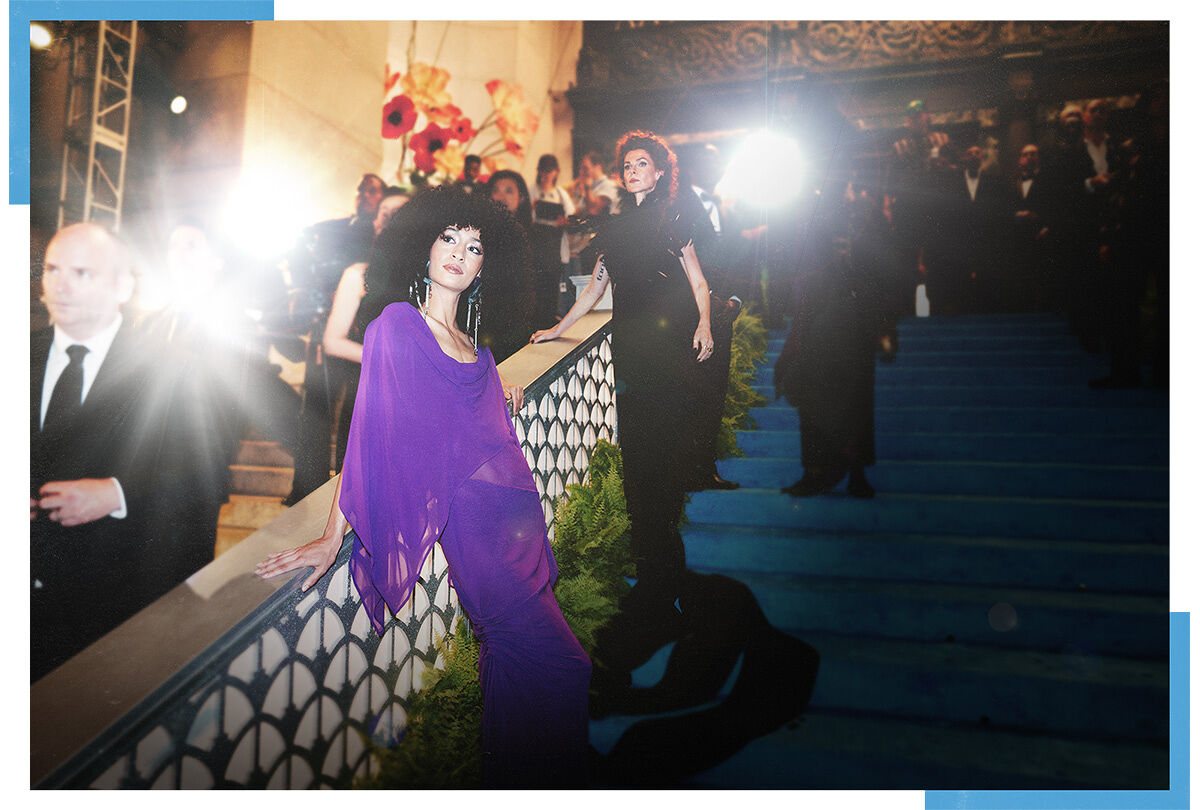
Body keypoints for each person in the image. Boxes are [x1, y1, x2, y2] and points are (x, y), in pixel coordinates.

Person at [256, 187, 591, 787]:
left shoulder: (478, 351)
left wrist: (498, 390)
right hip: (479, 538)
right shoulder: (396, 327)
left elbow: (475, 430)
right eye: (449, 239)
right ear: (423, 247)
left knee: (523, 670)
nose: (460, 253)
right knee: (564, 667)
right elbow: (370, 433)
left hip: (520, 522)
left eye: (475, 247)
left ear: (486, 267)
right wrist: (332, 537)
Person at [533, 130, 715, 619]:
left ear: (660, 171)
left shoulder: (673, 219)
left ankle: (665, 569)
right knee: (638, 455)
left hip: (669, 343)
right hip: (631, 345)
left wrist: (704, 324)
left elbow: (698, 279)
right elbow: (593, 291)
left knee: (663, 453)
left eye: (643, 163)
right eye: (628, 165)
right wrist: (557, 329)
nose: (634, 171)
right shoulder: (613, 230)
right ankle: (655, 570)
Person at [30, 223, 197, 680]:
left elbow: (202, 478)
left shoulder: (172, 367)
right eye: (52, 269)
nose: (60, 285)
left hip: (115, 606)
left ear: (123, 286)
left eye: (82, 273)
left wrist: (118, 494)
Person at [774, 182, 891, 498]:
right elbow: (803, 273)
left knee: (857, 398)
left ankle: (854, 472)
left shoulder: (865, 217)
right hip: (821, 319)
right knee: (814, 395)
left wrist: (884, 324)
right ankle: (817, 471)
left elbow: (881, 272)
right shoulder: (814, 218)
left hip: (856, 320)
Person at [285, 173, 386, 506]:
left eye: (372, 190)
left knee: (353, 417)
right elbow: (302, 251)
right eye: (361, 189)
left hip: (362, 340)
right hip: (328, 331)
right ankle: (306, 489)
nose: (364, 194)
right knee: (315, 409)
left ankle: (347, 491)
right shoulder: (333, 228)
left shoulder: (383, 237)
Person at [322, 187, 409, 468]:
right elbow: (332, 342)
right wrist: (385, 357)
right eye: (385, 213)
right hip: (368, 392)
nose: (390, 219)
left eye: (399, 214)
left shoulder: (426, 281)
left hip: (411, 396)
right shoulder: (357, 275)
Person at [478, 170, 536, 361]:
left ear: (522, 198)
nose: (501, 197)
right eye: (496, 191)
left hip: (524, 328)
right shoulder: (478, 236)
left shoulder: (536, 237)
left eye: (509, 191)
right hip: (485, 328)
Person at [530, 154, 576, 328]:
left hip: (554, 247)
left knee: (552, 286)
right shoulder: (531, 191)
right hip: (536, 248)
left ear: (556, 172)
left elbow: (572, 218)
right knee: (535, 286)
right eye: (543, 170)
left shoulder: (560, 194)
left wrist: (564, 221)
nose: (546, 174)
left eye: (550, 170)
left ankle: (549, 321)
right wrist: (532, 209)